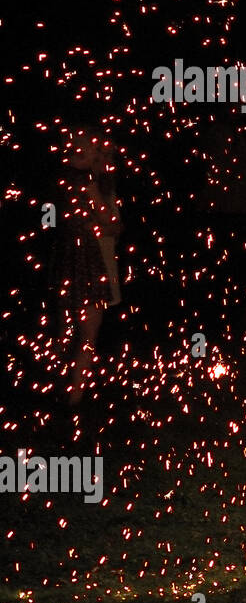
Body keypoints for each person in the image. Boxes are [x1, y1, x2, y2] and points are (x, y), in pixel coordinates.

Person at [54, 127, 122, 406]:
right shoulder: (84, 183)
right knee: (84, 332)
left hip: (70, 260)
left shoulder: (70, 181)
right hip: (83, 260)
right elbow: (111, 224)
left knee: (70, 328)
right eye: (94, 151)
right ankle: (72, 395)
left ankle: (67, 391)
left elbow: (113, 225)